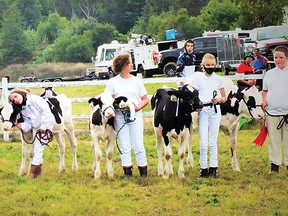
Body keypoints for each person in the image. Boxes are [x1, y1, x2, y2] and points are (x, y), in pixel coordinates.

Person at [105, 53, 149, 178]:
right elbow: (108, 98)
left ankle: (143, 172)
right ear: (124, 65)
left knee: (138, 144)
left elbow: (145, 99)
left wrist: (137, 107)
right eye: (130, 63)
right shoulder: (112, 83)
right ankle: (127, 172)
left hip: (135, 116)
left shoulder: (136, 81)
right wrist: (116, 106)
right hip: (120, 116)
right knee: (124, 144)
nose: (132, 65)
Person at [186, 53, 226, 178]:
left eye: (212, 65)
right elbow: (193, 95)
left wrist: (219, 100)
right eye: (208, 65)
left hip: (215, 109)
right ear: (203, 65)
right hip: (203, 109)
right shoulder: (198, 79)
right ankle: (203, 169)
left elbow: (224, 97)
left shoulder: (219, 79)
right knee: (204, 142)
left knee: (213, 140)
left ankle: (213, 169)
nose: (210, 67)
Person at [8, 89, 56, 178]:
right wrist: (20, 125)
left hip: (46, 123)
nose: (16, 100)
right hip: (36, 127)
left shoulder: (34, 99)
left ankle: (33, 174)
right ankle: (37, 173)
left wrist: (44, 127)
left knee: (38, 148)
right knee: (38, 148)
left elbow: (46, 110)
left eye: (16, 96)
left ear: (21, 94)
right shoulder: (23, 109)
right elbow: (29, 123)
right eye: (13, 100)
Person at [262, 45, 288, 176]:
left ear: (287, 58)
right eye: (275, 57)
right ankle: (274, 166)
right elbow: (265, 91)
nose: (278, 60)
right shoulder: (269, 74)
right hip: (272, 112)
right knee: (274, 139)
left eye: (280, 57)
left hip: (287, 112)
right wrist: (264, 100)